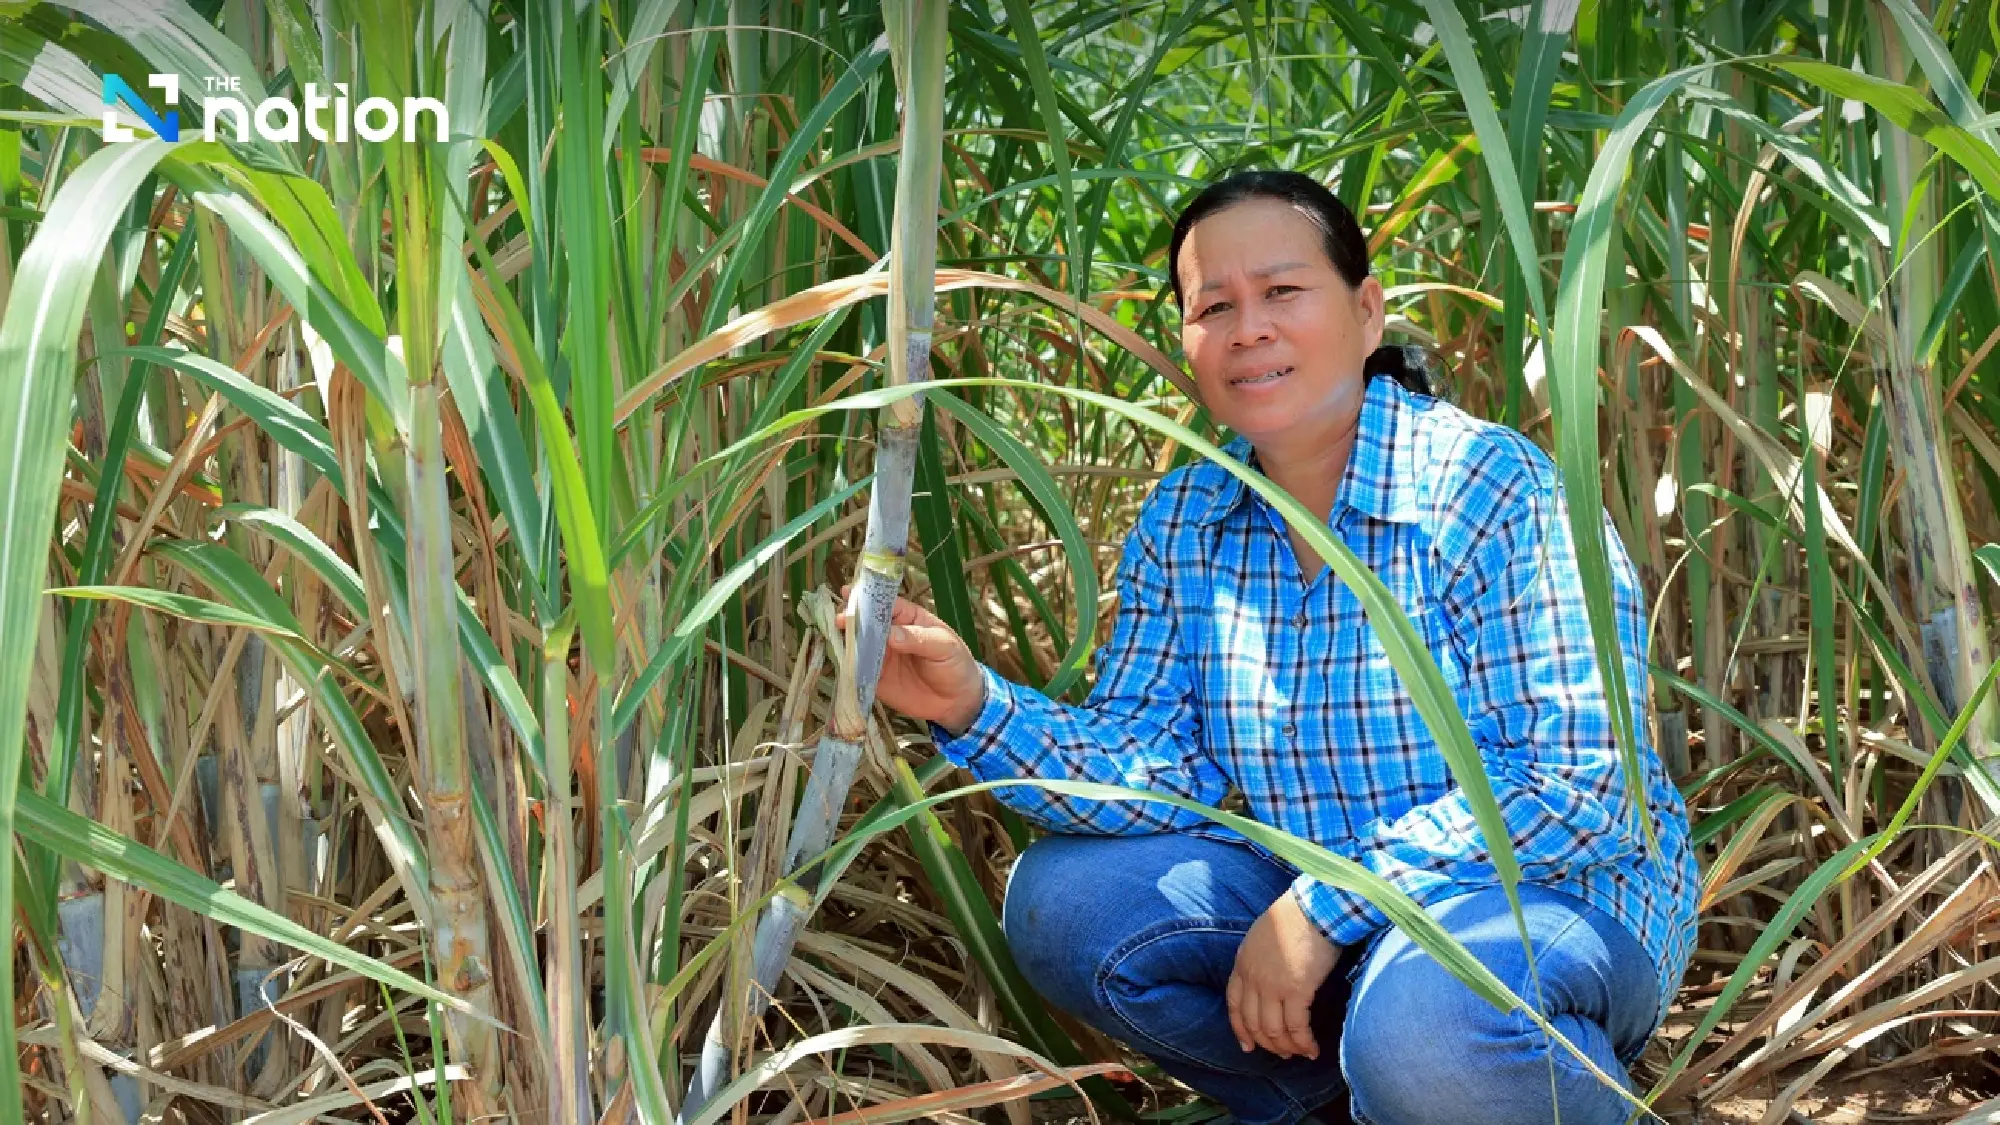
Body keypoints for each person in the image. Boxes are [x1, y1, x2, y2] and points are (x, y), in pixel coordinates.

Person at [861, 170, 1698, 1125]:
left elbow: (1580, 785)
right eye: (1213, 305)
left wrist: (1321, 906)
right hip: (1334, 927)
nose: (1247, 327)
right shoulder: (1188, 516)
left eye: (1283, 292)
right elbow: (1152, 761)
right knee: (1069, 903)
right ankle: (1336, 1104)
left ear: (1368, 309)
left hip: (1549, 902)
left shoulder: (1486, 486)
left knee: (1430, 1028)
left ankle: (1490, 1082)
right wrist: (972, 704)